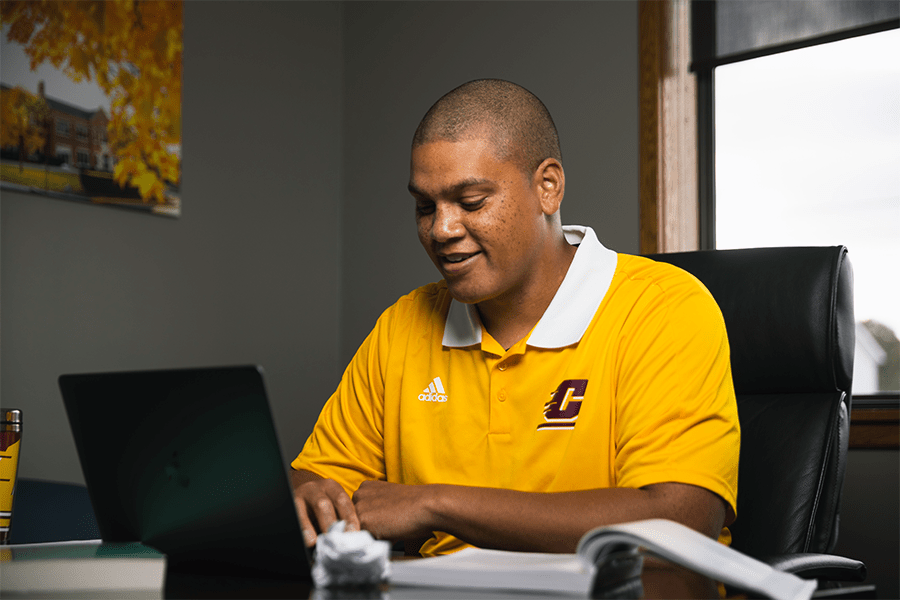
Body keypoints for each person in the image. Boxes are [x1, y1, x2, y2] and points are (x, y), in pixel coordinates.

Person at [291, 79, 739, 556]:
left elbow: (681, 519)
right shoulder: (402, 325)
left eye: (471, 202)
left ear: (548, 187)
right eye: (425, 207)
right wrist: (310, 497)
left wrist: (437, 504)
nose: (441, 229)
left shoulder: (663, 307)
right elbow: (318, 477)